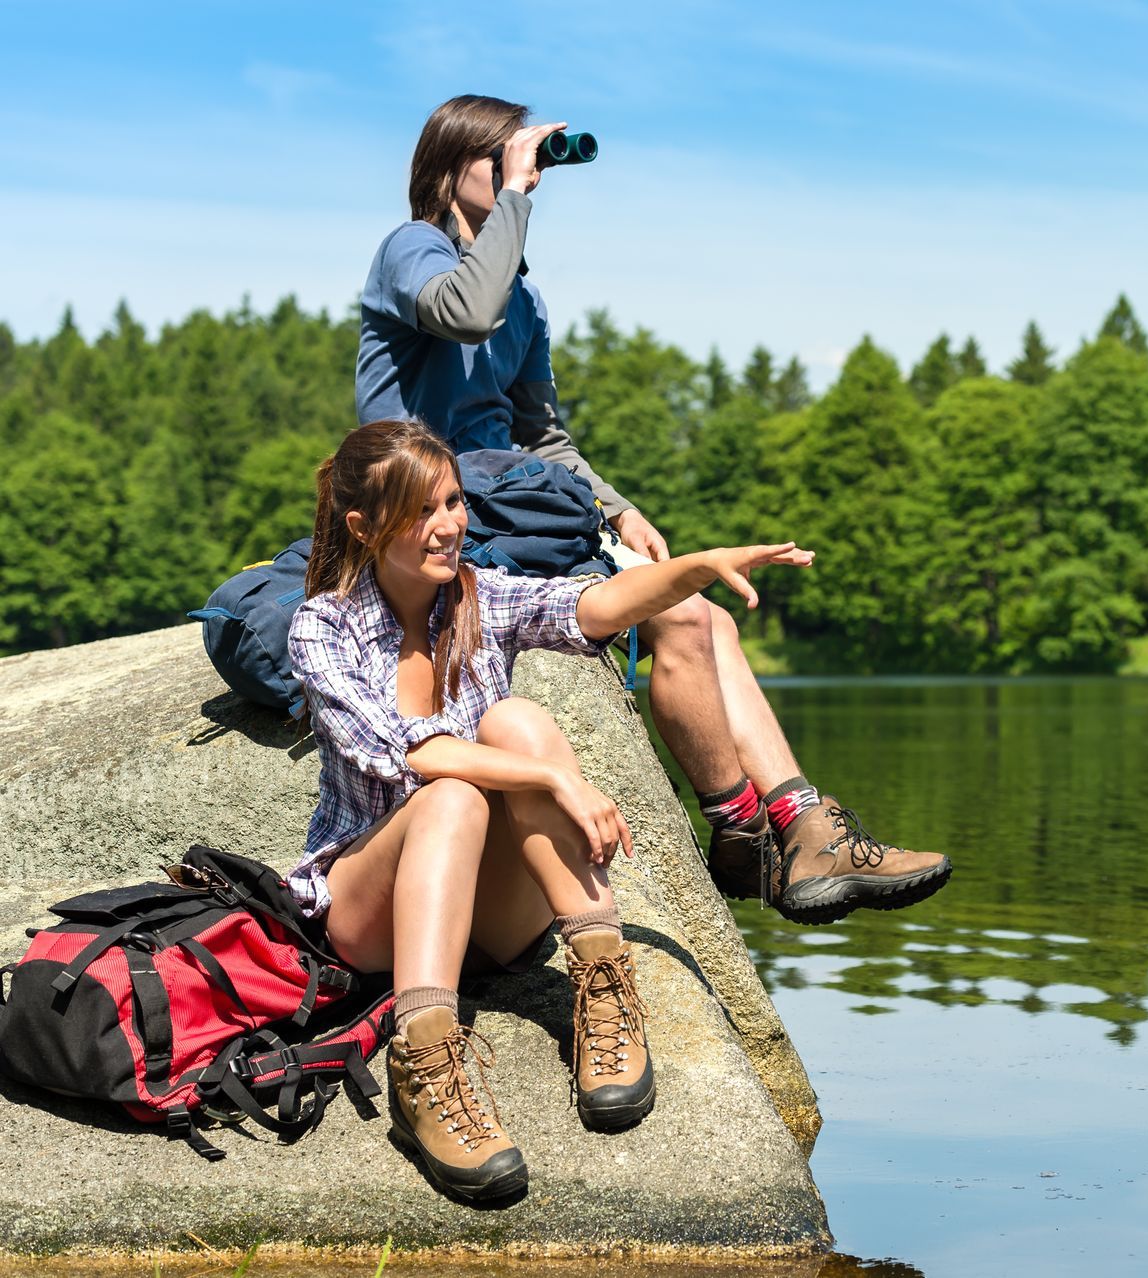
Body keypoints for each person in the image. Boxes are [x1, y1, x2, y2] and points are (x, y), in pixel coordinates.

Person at [356, 93, 951, 925]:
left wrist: (617, 510)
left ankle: (801, 823)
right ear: (450, 167)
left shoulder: (522, 299)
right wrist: (519, 199)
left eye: (524, 165)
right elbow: (466, 312)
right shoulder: (410, 251)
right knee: (679, 618)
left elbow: (543, 434)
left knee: (707, 617)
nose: (522, 177)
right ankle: (744, 828)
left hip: (514, 512)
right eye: (504, 161)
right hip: (432, 519)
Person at [288, 418, 813, 1202]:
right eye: (419, 509)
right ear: (362, 525)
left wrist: (696, 567)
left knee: (516, 720)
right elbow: (410, 754)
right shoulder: (322, 627)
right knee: (454, 792)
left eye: (455, 502)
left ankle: (603, 980)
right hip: (378, 918)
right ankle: (425, 1057)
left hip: (492, 923)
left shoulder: (476, 596)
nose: (449, 526)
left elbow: (595, 607)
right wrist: (557, 782)